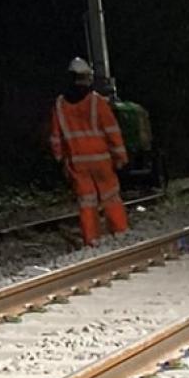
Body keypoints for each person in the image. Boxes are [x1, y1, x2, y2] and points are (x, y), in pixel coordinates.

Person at [48, 57, 130, 246]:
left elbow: (55, 136)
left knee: (86, 202)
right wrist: (121, 157)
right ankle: (120, 233)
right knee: (110, 197)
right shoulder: (97, 102)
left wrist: (59, 159)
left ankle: (91, 239)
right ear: (88, 77)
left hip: (77, 162)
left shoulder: (60, 105)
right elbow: (112, 132)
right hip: (101, 159)